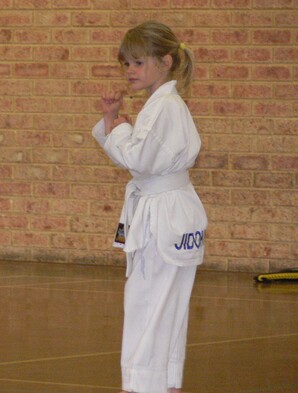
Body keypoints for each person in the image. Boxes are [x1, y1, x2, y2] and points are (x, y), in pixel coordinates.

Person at [92, 21, 208, 393]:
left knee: (148, 306)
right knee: (165, 308)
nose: (129, 71)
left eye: (138, 63)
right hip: (169, 211)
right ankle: (167, 383)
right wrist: (114, 121)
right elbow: (138, 159)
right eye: (126, 64)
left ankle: (143, 386)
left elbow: (139, 160)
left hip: (164, 216)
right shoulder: (163, 107)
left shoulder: (166, 108)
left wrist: (120, 130)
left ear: (166, 62)